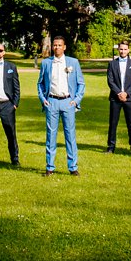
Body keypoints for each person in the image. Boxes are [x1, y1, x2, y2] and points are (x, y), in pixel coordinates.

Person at [37, 35, 85, 176]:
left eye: (59, 45)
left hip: (67, 102)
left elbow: (81, 84)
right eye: (55, 45)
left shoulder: (73, 62)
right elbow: (40, 83)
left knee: (70, 135)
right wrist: (42, 99)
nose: (57, 47)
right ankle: (50, 167)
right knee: (50, 136)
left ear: (64, 47)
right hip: (51, 101)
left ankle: (73, 167)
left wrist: (76, 100)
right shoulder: (46, 63)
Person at [105, 40, 131, 155]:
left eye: (125, 49)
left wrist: (126, 93)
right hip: (115, 98)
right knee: (113, 123)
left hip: (129, 98)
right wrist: (119, 93)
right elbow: (110, 81)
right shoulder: (112, 64)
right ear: (118, 50)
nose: (123, 51)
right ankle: (111, 146)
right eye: (121, 49)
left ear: (128, 50)